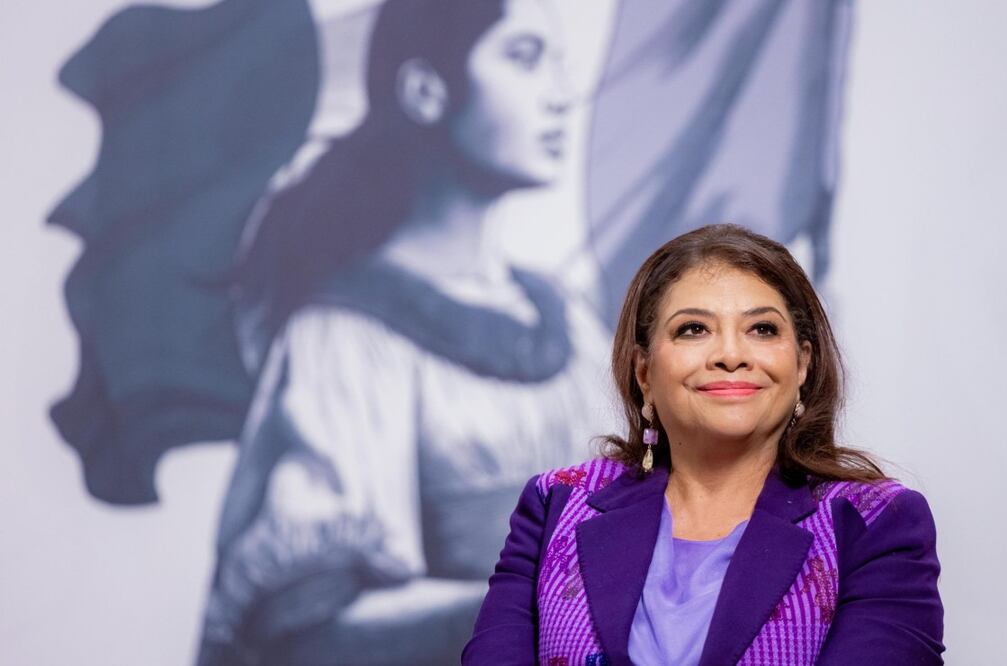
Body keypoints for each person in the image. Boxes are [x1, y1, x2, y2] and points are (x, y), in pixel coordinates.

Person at [196, 1, 618, 663]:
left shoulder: (570, 326)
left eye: (557, 64)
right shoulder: (346, 339)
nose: (562, 96)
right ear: (426, 90)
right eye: (523, 58)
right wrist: (541, 611)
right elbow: (306, 629)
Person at [464, 224, 945, 665]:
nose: (731, 355)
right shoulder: (557, 504)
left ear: (801, 366)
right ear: (644, 373)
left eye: (762, 329)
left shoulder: (876, 522)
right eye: (693, 329)